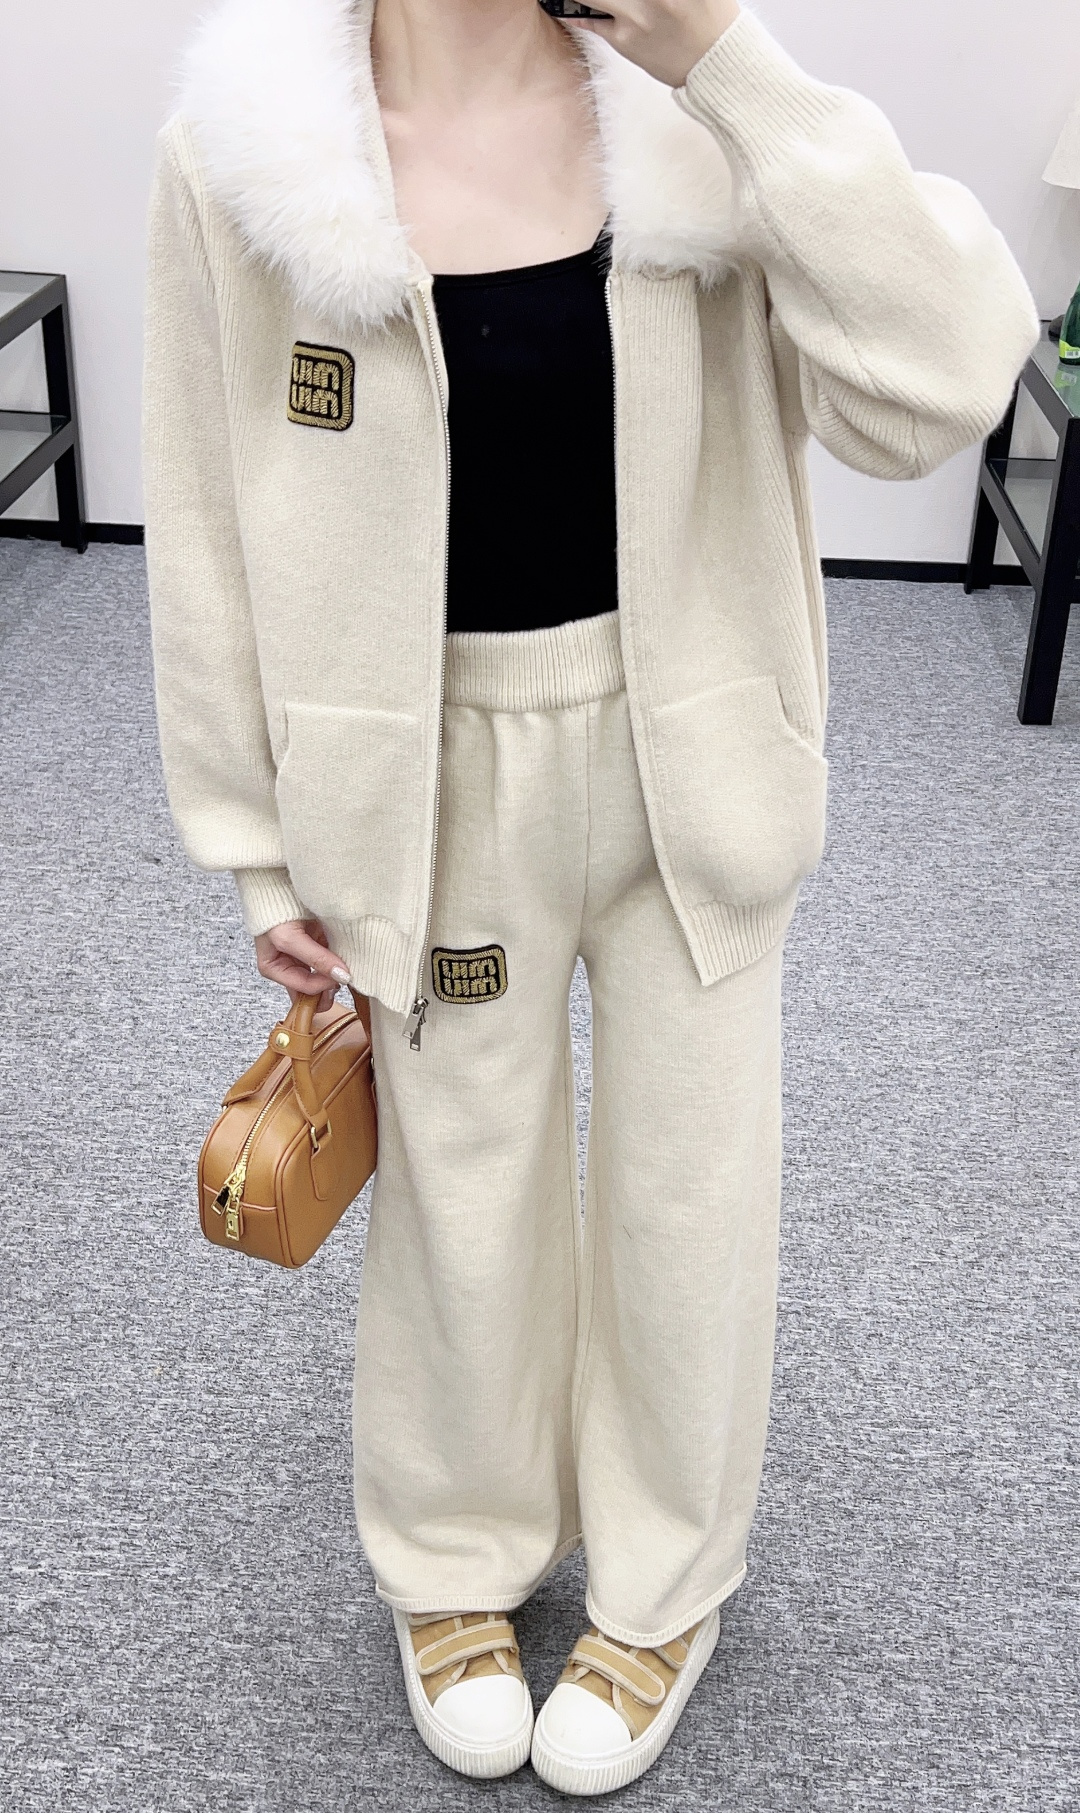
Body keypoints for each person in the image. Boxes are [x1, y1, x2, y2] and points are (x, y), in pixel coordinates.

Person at [143, 0, 1039, 1792]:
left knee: (689, 1189)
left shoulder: (695, 110)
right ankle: (453, 1556)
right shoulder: (245, 149)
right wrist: (254, 841)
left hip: (688, 761)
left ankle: (662, 1587)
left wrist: (737, 72)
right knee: (462, 1184)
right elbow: (211, 516)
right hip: (426, 782)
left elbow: (948, 374)